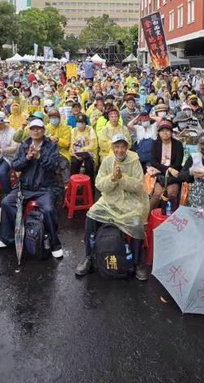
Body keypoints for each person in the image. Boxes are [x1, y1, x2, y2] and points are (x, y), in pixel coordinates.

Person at [75, 134, 149, 281]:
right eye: (116, 146)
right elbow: (99, 184)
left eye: (122, 147)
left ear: (127, 148)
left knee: (136, 223)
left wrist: (122, 178)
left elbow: (138, 186)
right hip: (109, 201)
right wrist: (112, 178)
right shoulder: (107, 161)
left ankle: (137, 262)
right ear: (112, 147)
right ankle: (89, 256)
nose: (119, 150)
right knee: (91, 215)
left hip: (130, 202)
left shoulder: (135, 161)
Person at [0, 118, 64, 259]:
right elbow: (15, 165)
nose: (35, 131)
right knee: (7, 203)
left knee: (49, 209)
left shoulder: (51, 146)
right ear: (29, 130)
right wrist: (27, 157)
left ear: (43, 130)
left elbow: (54, 166)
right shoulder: (25, 144)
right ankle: (7, 238)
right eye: (33, 128)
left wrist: (39, 156)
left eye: (38, 128)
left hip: (45, 187)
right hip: (25, 186)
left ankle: (54, 244)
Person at [146, 120, 184, 211]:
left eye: (167, 130)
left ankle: (172, 217)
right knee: (156, 195)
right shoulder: (155, 144)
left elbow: (178, 164)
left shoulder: (178, 145)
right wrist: (168, 170)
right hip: (159, 175)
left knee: (172, 194)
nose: (165, 133)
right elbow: (153, 161)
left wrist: (168, 170)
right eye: (162, 131)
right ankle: (146, 217)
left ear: (171, 132)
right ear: (158, 133)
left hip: (173, 176)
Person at [45, 108, 72, 185]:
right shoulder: (46, 128)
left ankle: (66, 185)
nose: (54, 119)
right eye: (52, 118)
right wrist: (49, 139)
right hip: (49, 152)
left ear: (59, 118)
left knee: (63, 163)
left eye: (55, 118)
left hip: (62, 152)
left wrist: (58, 140)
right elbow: (43, 141)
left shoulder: (65, 128)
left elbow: (67, 143)